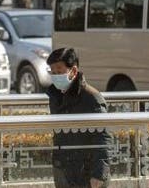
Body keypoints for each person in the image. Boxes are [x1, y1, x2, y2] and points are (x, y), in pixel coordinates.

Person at [46, 47, 113, 188]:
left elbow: (103, 137)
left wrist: (99, 173)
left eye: (60, 71)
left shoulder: (91, 97)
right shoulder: (55, 96)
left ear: (74, 71)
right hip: (63, 168)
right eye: (53, 72)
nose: (56, 76)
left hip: (87, 172)